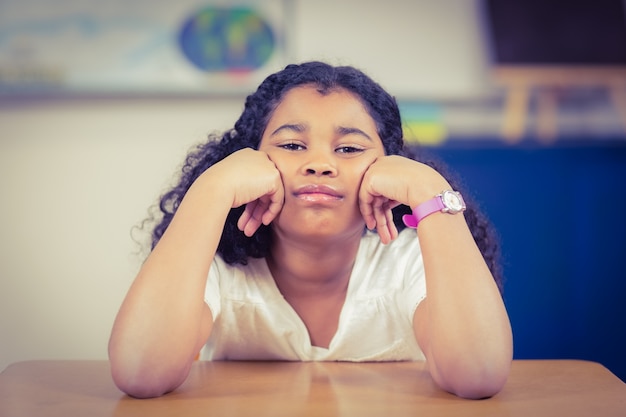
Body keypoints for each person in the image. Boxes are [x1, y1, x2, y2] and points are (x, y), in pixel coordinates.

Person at [108, 61, 513, 400]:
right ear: (249, 164)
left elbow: (477, 374)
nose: (320, 164)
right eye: (292, 146)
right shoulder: (220, 267)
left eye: (349, 149)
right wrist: (210, 191)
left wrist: (430, 189)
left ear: (388, 171)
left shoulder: (409, 259)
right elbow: (141, 372)